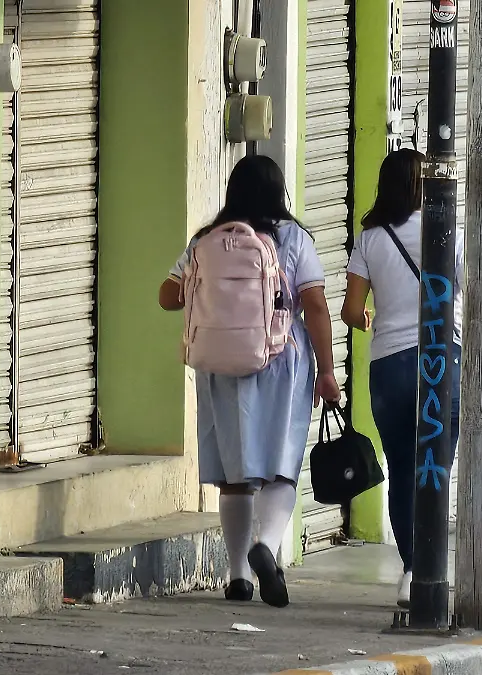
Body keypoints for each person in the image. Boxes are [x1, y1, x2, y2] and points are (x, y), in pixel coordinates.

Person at [159, 155, 342, 608]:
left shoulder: (207, 239)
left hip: (219, 364)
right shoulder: (293, 237)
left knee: (234, 471)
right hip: (281, 360)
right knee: (281, 462)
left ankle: (238, 575)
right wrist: (328, 370)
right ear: (279, 192)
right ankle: (269, 543)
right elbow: (315, 305)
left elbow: (167, 296)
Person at [341, 148, 464, 607]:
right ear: (423, 185)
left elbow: (352, 310)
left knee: (401, 469)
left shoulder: (371, 239)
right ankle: (436, 571)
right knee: (434, 469)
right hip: (440, 360)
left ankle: (413, 571)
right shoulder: (447, 230)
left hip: (390, 365)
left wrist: (370, 317)